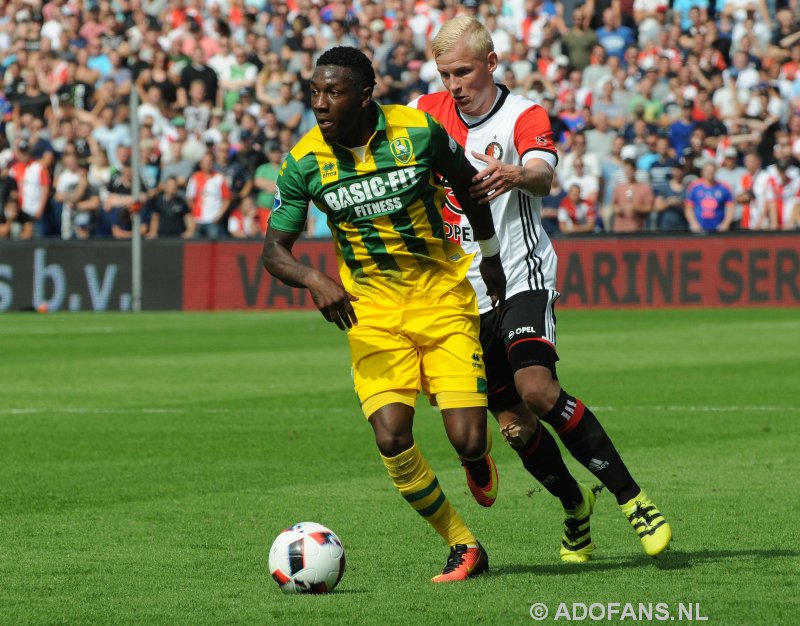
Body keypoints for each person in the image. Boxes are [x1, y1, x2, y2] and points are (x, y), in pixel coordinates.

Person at [412, 15, 671, 563]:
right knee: (514, 427)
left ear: (491, 64)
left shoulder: (523, 114)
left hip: (520, 273)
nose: (453, 85)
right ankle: (577, 509)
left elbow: (543, 174)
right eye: (445, 74)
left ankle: (634, 500)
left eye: (462, 72)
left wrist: (513, 174)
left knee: (537, 388)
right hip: (461, 296)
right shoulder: (424, 113)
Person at [262, 46, 507, 583]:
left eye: (333, 92)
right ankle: (463, 545)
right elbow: (274, 250)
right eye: (315, 92)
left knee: (467, 438)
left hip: (441, 298)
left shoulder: (417, 131)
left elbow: (466, 186)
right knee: (392, 437)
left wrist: (490, 257)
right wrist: (313, 277)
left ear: (365, 95)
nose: (320, 103)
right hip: (369, 310)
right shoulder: (304, 161)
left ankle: (474, 457)